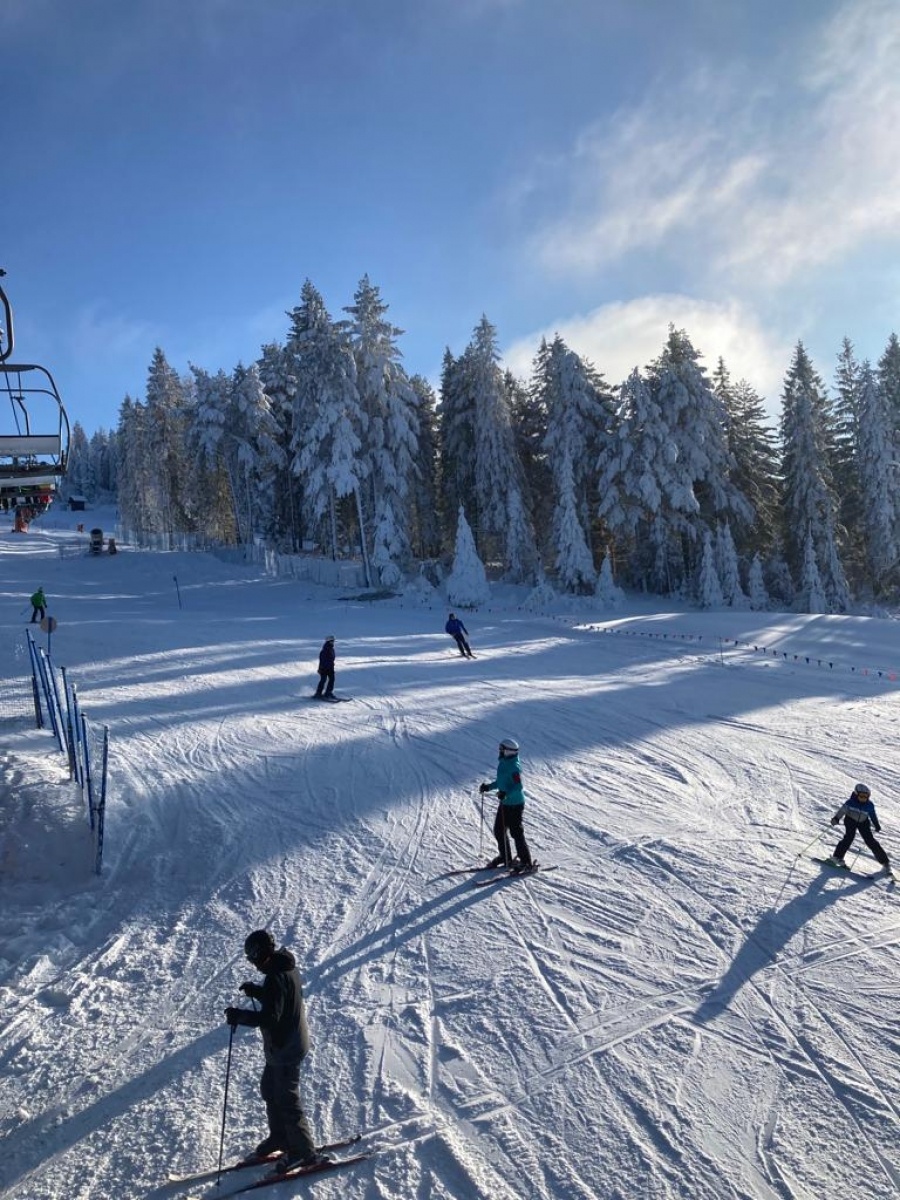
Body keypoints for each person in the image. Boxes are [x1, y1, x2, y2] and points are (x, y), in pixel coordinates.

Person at [224, 929, 330, 1174]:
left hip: (286, 1048)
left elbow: (271, 1017)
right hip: (282, 1045)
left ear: (260, 955)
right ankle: (280, 1137)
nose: (253, 964)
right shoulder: (284, 965)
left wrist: (240, 1016)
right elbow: (279, 998)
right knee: (270, 1089)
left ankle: (303, 1152)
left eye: (252, 959)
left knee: (287, 1100)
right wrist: (257, 992)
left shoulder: (276, 976)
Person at [479, 737, 533, 872]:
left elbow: (518, 786)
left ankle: (526, 862)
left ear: (508, 751)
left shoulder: (514, 767)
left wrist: (506, 794)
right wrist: (488, 787)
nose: (499, 751)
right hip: (505, 804)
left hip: (515, 804)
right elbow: (501, 781)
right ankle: (505, 857)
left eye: (501, 749)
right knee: (499, 831)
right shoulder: (504, 762)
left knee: (516, 833)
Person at [826, 783, 890, 872]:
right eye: (861, 796)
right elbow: (842, 811)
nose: (864, 798)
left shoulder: (869, 805)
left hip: (863, 822)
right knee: (849, 837)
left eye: (866, 796)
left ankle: (885, 863)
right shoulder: (850, 802)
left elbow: (873, 815)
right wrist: (836, 818)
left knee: (870, 840)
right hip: (850, 820)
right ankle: (837, 857)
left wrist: (876, 824)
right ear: (856, 794)